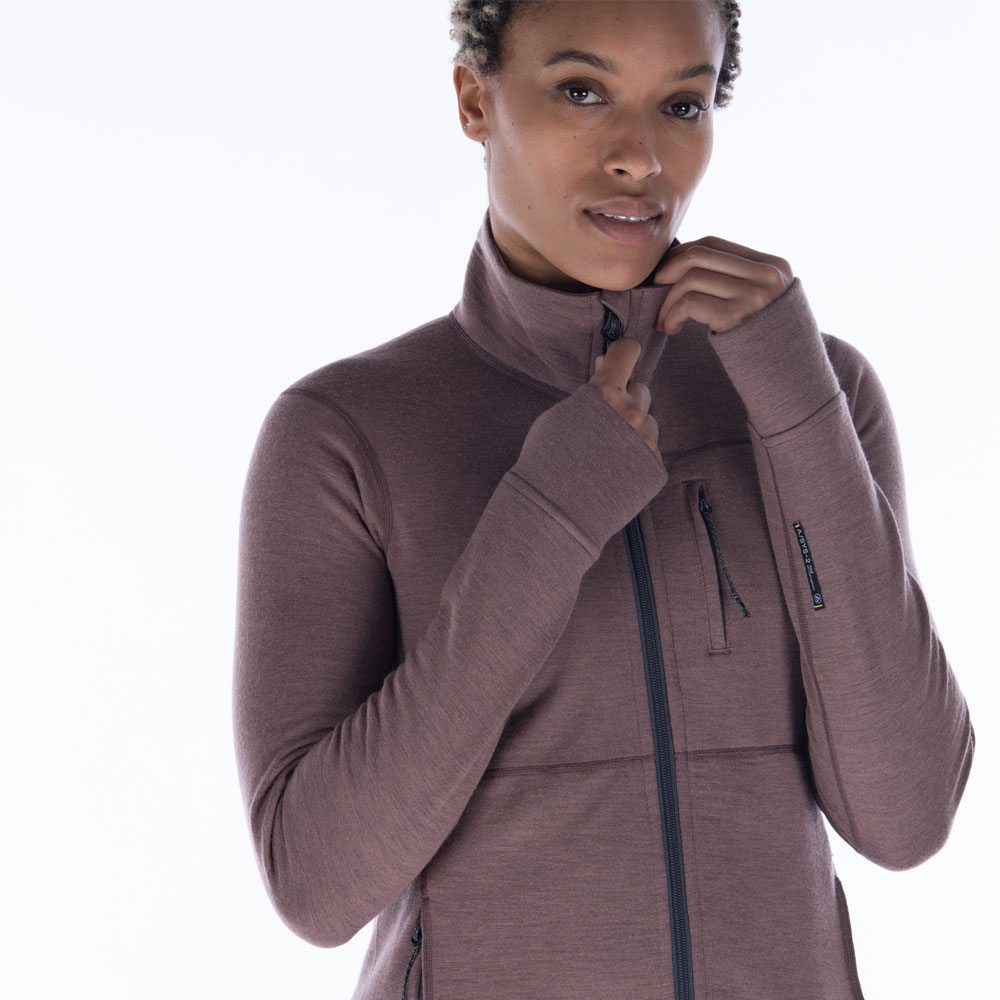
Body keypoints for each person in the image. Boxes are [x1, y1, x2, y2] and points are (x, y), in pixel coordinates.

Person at [232, 2, 976, 997]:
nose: (640, 158)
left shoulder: (811, 389)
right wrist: (550, 509)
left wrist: (799, 411)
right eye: (581, 92)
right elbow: (316, 884)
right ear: (474, 99)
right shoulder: (347, 431)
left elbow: (908, 816)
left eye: (682, 104)